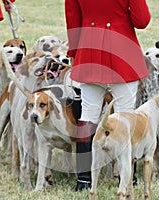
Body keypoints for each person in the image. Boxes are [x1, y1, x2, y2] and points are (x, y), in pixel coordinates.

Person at [65, 0, 151, 191]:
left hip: (90, 52)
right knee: (126, 117)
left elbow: (73, 21)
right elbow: (142, 21)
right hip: (123, 54)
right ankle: (128, 176)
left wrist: (74, 52)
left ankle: (84, 180)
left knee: (87, 117)